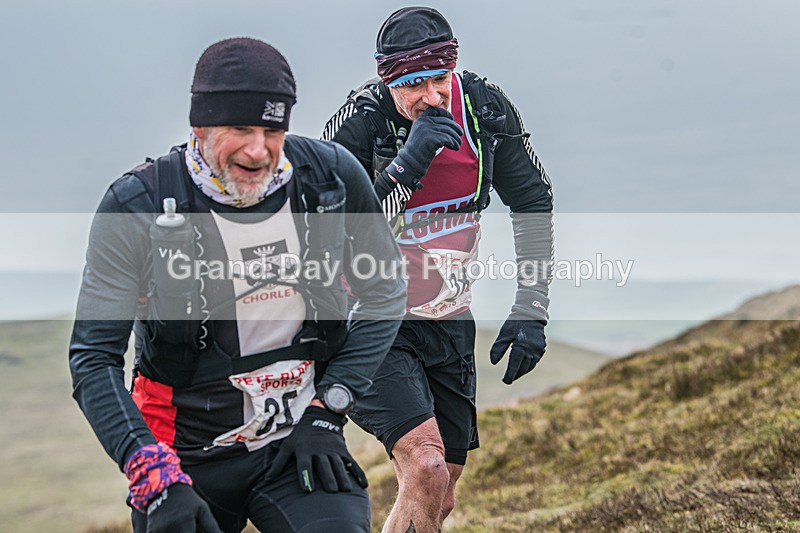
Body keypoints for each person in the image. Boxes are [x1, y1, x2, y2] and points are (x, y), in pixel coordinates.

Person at [69, 37, 407, 533]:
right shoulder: (136, 205)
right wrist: (150, 473)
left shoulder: (328, 180)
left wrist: (330, 405)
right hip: (182, 459)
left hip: (297, 445)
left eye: (273, 129)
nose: (258, 149)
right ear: (199, 125)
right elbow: (93, 359)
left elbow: (385, 291)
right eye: (239, 128)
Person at [322, 7, 554, 531]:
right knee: (425, 465)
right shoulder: (361, 121)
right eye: (414, 85)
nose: (432, 96)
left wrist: (531, 309)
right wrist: (408, 165)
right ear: (389, 81)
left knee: (441, 490)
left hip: (448, 318)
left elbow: (534, 200)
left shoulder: (485, 109)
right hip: (366, 322)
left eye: (439, 79)